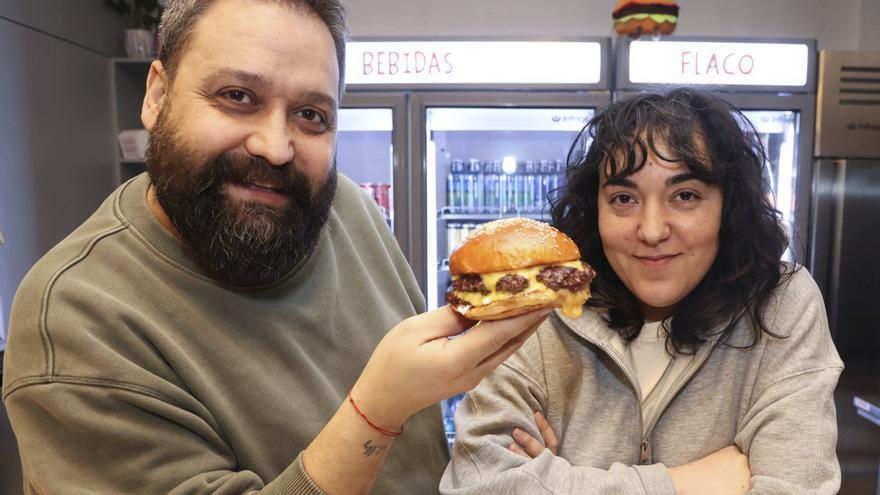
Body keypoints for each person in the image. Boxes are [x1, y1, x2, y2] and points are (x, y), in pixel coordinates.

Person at [0, 1, 549, 493]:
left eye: (311, 115)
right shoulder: (75, 320)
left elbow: (423, 440)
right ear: (157, 96)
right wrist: (377, 410)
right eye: (237, 96)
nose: (276, 147)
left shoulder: (345, 209)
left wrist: (498, 443)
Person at [440, 89, 844, 494]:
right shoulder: (540, 309)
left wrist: (557, 479)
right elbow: (478, 484)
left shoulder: (782, 304)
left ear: (729, 205)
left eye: (685, 196)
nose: (652, 231)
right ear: (594, 208)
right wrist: (688, 483)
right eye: (623, 199)